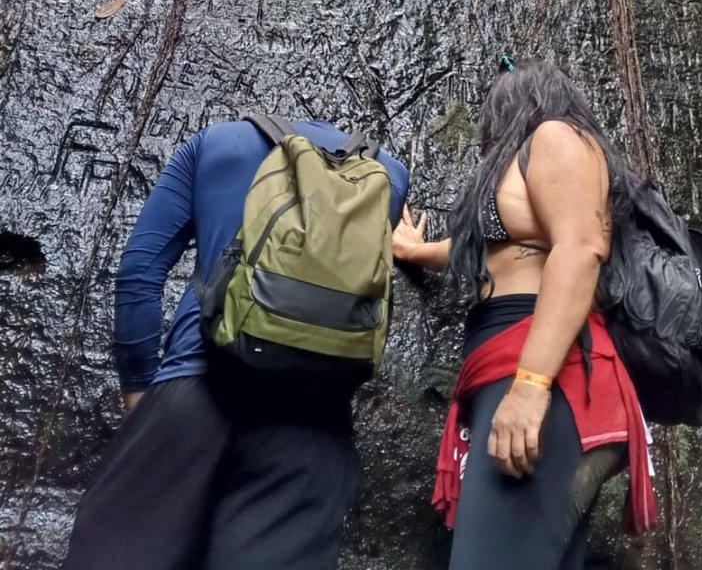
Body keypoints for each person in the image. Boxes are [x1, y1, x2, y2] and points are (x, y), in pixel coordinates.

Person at [64, 116, 408, 570]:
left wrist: (141, 393)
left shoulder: (219, 143)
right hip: (313, 430)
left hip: (195, 393)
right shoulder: (388, 173)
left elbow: (140, 271)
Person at [393, 58, 656, 570]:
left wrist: (531, 385)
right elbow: (491, 249)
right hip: (515, 365)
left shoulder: (557, 137)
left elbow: (580, 249)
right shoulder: (534, 168)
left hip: (548, 372)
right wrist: (414, 251)